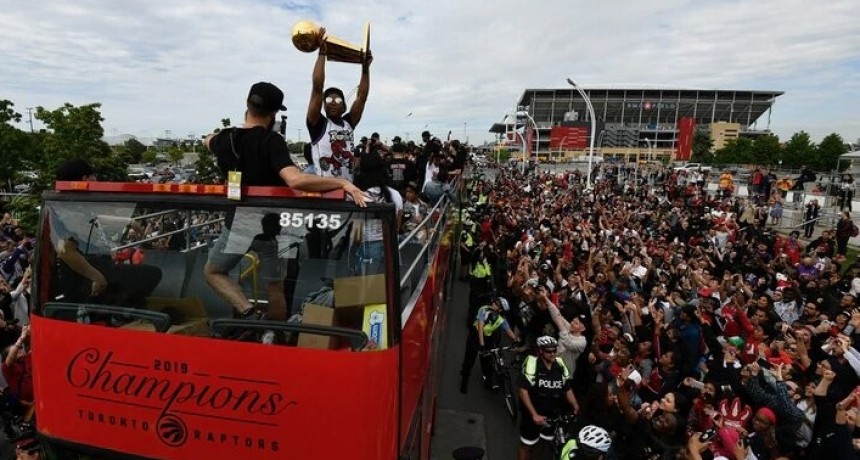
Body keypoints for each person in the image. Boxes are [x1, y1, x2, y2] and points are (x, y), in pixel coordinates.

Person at [203, 81, 366, 320]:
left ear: (247, 105)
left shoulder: (225, 139)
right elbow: (295, 180)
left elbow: (208, 140)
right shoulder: (272, 141)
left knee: (213, 271)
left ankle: (248, 312)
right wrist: (342, 183)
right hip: (271, 230)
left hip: (237, 224)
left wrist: (214, 138)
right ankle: (276, 332)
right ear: (273, 113)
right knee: (275, 288)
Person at [53, 159, 162, 308]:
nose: (96, 180)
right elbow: (65, 251)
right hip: (89, 275)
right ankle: (122, 310)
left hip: (101, 266)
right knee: (151, 274)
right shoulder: (67, 211)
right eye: (94, 177)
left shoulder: (74, 204)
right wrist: (97, 277)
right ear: (85, 179)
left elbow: (93, 220)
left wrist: (128, 221)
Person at [306, 32, 372, 181]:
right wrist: (322, 53)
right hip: (326, 189)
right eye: (329, 100)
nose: (333, 102)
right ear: (323, 106)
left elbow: (362, 97)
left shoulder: (348, 123)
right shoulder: (318, 124)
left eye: (337, 100)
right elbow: (317, 87)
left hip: (347, 188)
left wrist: (365, 68)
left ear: (344, 106)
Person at [518, 336, 580, 460]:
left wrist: (575, 405)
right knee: (527, 446)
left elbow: (567, 388)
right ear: (541, 351)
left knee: (546, 442)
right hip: (533, 416)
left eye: (554, 350)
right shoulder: (532, 365)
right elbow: (522, 391)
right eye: (548, 351)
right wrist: (534, 414)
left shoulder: (560, 365)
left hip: (552, 414)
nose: (552, 354)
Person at [459, 296, 519, 394]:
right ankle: (464, 381)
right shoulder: (484, 310)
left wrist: (516, 340)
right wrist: (482, 345)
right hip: (475, 337)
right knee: (469, 360)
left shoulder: (501, 319)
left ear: (500, 310)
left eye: (497, 304)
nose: (493, 303)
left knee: (487, 363)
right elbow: (480, 327)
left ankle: (488, 382)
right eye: (495, 302)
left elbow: (508, 330)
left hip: (488, 339)